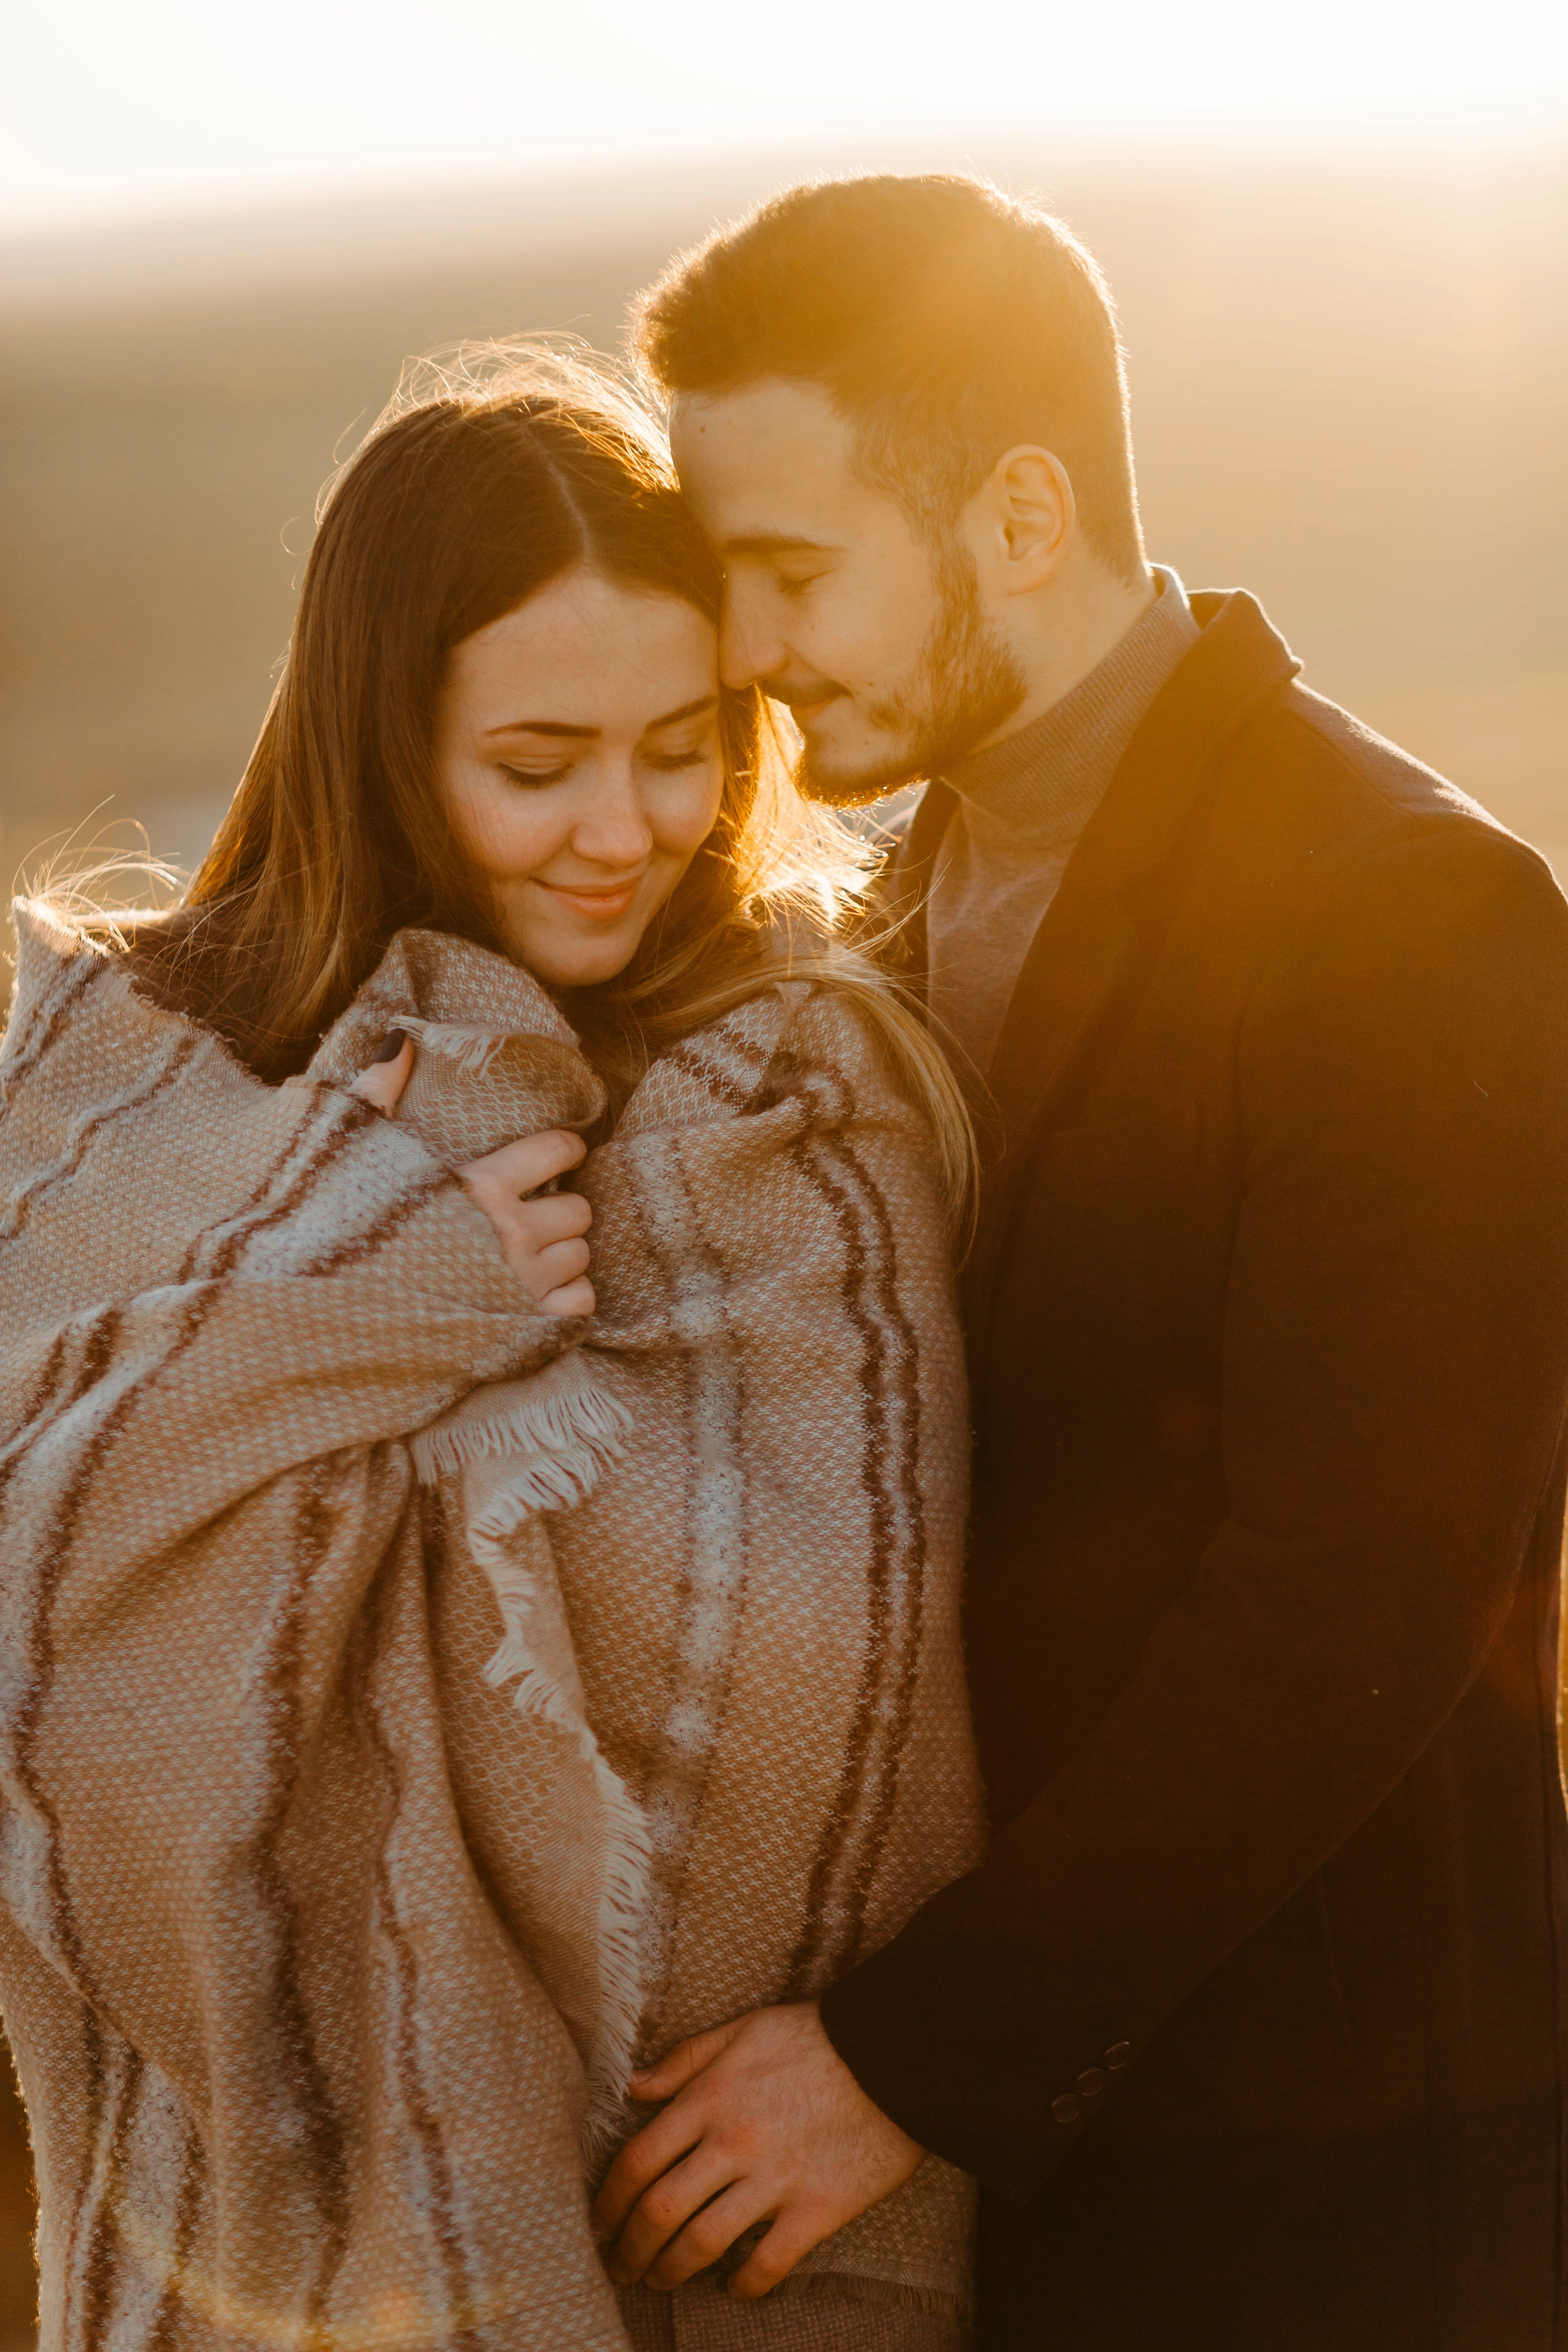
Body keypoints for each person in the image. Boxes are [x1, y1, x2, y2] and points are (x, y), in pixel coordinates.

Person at [588, 173, 1568, 2350]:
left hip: (1337, 2207)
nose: (744, 652)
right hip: (1012, 2209)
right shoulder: (874, 925)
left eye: (790, 571)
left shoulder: (1413, 917)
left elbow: (1347, 1609)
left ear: (1021, 517)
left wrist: (896, 2062)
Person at [0, 347, 986, 2351]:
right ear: (382, 741)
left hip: (740, 2220)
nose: (623, 830)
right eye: (535, 764)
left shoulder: (802, 1093)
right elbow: (37, 1586)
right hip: (251, 2245)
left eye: (684, 745)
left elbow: (826, 1651)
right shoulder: (112, 1083)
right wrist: (376, 1299)